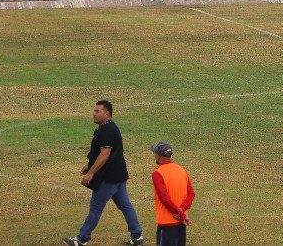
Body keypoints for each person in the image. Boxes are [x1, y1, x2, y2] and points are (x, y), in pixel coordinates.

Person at [62, 100, 143, 246]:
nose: (93, 113)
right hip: (118, 175)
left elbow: (105, 154)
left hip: (108, 178)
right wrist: (89, 165)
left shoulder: (106, 130)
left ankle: (82, 238)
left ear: (106, 114)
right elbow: (102, 153)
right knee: (125, 205)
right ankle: (137, 236)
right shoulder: (107, 128)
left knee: (95, 207)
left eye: (97, 111)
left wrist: (90, 173)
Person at [149, 142, 194, 246]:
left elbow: (165, 200)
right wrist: (182, 212)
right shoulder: (181, 170)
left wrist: (180, 215)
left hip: (167, 223)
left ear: (158, 155)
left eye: (154, 153)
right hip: (181, 223)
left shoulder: (157, 174)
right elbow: (191, 194)